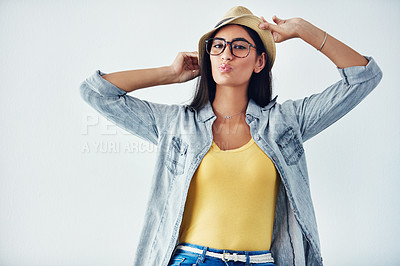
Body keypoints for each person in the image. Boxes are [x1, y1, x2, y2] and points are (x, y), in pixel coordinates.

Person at [80, 6, 382, 266]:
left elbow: (363, 77)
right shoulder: (175, 124)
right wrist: (169, 74)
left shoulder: (285, 123)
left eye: (239, 47)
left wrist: (303, 30)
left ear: (259, 62)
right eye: (218, 46)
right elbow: (97, 92)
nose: (226, 54)